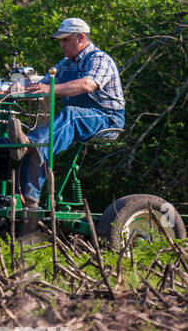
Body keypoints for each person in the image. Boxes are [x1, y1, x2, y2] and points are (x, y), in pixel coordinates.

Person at [13, 17, 125, 208]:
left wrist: (48, 89)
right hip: (79, 118)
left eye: (66, 40)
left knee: (64, 119)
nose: (62, 45)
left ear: (81, 38)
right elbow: (42, 85)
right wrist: (16, 87)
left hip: (107, 118)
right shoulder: (65, 64)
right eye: (60, 40)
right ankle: (26, 201)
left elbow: (87, 84)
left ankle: (31, 144)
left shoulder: (99, 59)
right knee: (37, 141)